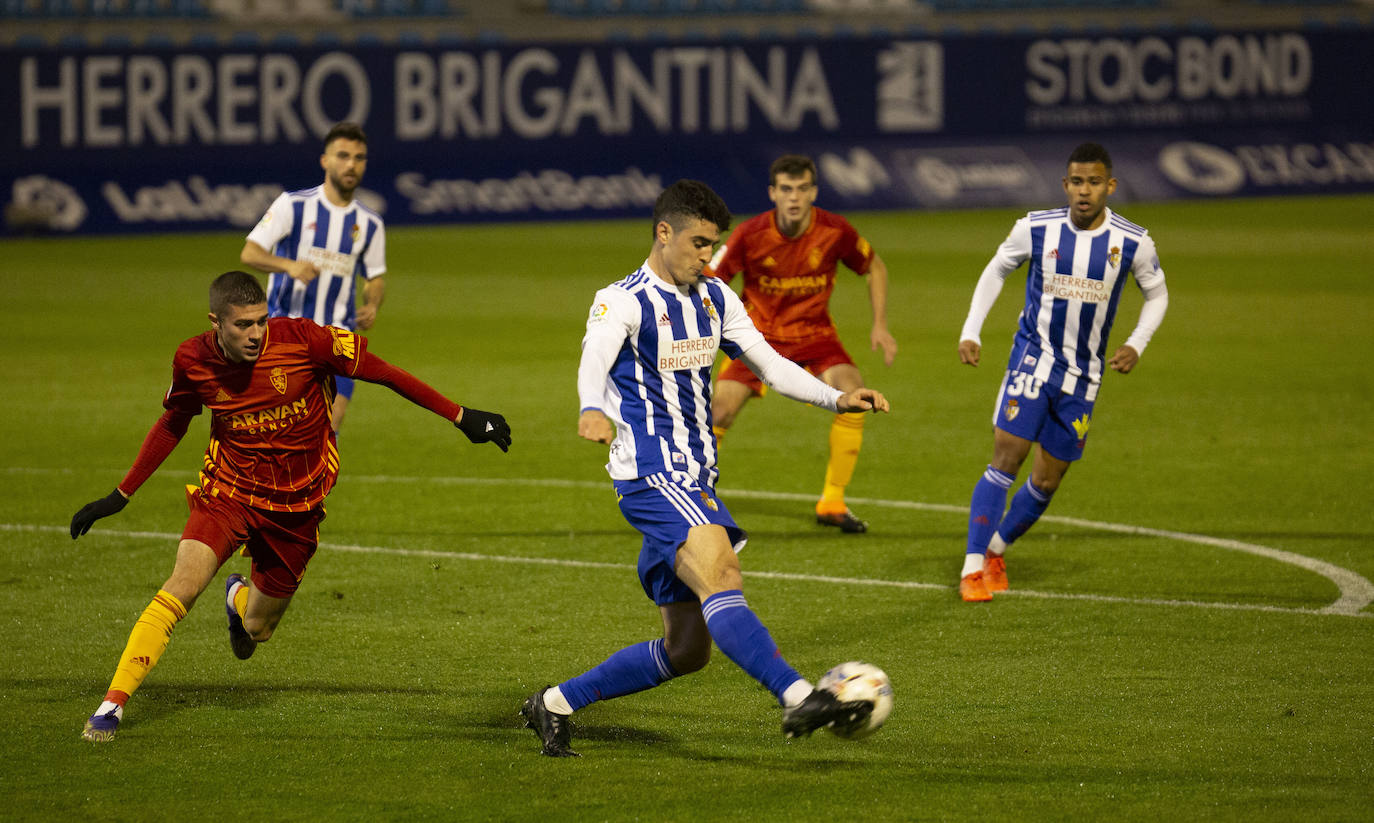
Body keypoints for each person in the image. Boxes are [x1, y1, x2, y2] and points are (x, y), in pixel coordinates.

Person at [520, 180, 891, 757]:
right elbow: (593, 357)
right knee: (723, 576)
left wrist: (834, 398)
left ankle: (554, 703)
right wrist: (591, 407)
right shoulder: (621, 300)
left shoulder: (717, 298)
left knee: (686, 650)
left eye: (713, 244)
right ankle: (796, 695)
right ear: (663, 233)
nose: (707, 256)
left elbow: (768, 364)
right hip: (651, 476)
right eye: (697, 243)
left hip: (695, 478)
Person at [70, 270, 512, 742]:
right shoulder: (192, 359)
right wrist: (121, 494)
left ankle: (238, 597)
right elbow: (174, 421)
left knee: (257, 631)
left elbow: (384, 372)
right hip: (229, 493)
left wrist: (461, 416)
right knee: (181, 586)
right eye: (242, 325)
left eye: (261, 321)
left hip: (298, 507)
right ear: (215, 322)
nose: (256, 334)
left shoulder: (306, 340)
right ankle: (111, 706)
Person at [955, 142, 1169, 602]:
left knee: (1048, 480)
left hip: (1084, 376)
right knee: (1006, 454)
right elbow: (996, 270)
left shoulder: (1132, 242)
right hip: (1033, 359)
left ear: (1109, 186)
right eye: (1076, 182)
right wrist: (971, 330)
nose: (1084, 191)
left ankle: (996, 549)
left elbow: (1158, 294)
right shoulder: (1035, 229)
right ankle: (972, 568)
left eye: (1094, 182)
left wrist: (1135, 343)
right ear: (1065, 184)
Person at [706, 154, 896, 533]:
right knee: (718, 412)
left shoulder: (834, 230)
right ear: (773, 193)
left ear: (814, 192)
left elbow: (874, 266)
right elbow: (711, 280)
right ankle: (695, 497)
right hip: (757, 337)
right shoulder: (750, 234)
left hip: (815, 335)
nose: (794, 197)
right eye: (787, 189)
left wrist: (880, 324)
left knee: (853, 395)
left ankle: (832, 502)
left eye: (802, 189)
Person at [240, 121, 386, 433]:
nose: (351, 164)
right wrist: (289, 265)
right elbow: (250, 253)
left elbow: (375, 277)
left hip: (338, 344)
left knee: (324, 435)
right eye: (343, 155)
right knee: (279, 435)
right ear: (325, 161)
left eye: (359, 158)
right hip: (285, 340)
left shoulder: (370, 223)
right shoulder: (292, 206)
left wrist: (372, 303)